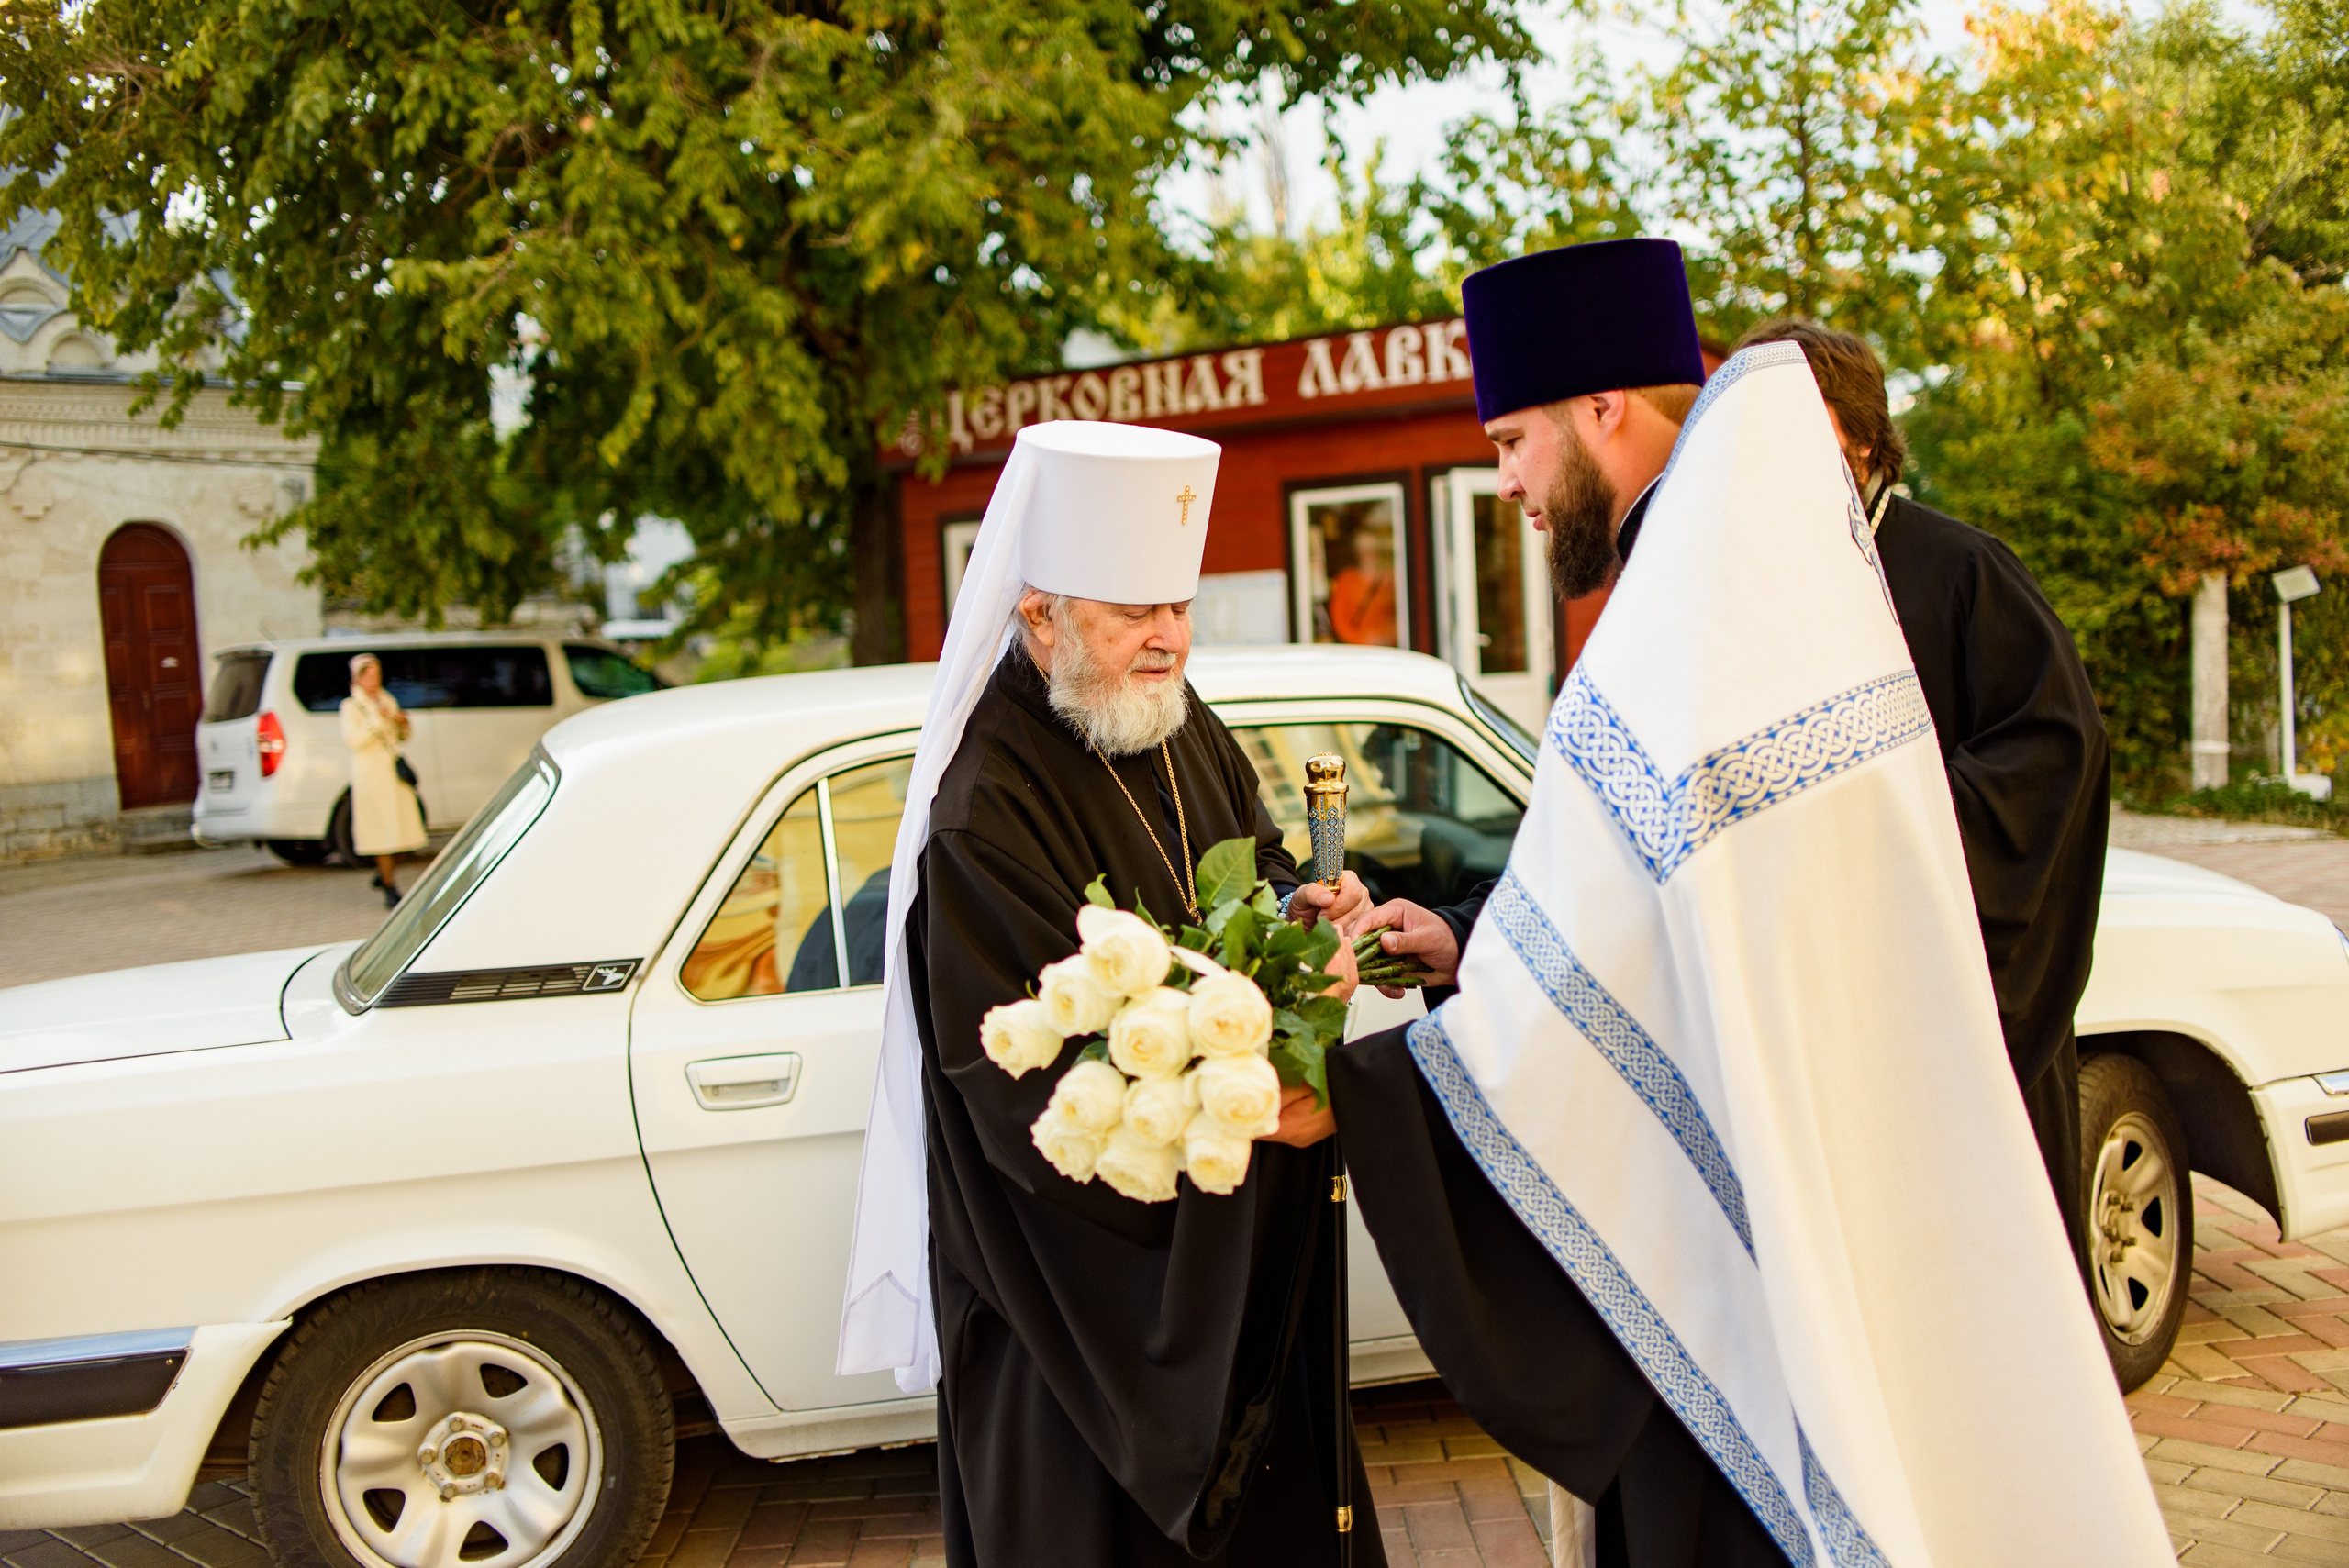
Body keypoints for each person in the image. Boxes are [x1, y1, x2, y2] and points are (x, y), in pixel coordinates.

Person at [1313, 239, 2167, 1566]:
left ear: (1603, 408)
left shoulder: (1741, 599)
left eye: (1512, 442)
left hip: (1811, 1185)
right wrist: (1477, 944)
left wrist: (1369, 1091)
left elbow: (1794, 872)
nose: (1508, 484)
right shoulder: (1685, 585)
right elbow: (1646, 897)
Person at [837, 420, 1374, 1568]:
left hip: (1228, 1261)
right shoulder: (984, 810)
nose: (1168, 636)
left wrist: (1301, 912)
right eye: (1134, 610)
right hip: (1078, 1317)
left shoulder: (1170, 712)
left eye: (1178, 605)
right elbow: (1024, 1090)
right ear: (1041, 616)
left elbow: (1255, 861)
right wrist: (1239, 1095)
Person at [1732, 317, 2109, 1265]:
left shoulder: (1963, 570)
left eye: (1797, 418)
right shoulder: (1755, 589)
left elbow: (2052, 753)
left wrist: (1874, 829)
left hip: (1964, 1008)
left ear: (1862, 438)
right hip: (1830, 1025)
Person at [340, 652, 426, 907]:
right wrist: (377, 719)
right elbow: (354, 741)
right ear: (357, 678)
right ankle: (389, 886)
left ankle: (383, 873)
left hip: (394, 774)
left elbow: (401, 737)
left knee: (407, 833)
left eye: (376, 675)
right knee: (380, 833)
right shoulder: (351, 706)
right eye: (368, 676)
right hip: (372, 777)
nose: (374, 681)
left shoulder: (387, 699)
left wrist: (402, 723)